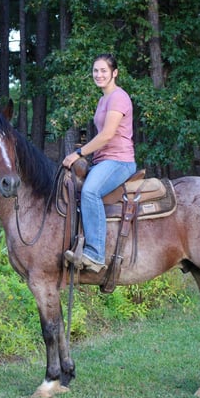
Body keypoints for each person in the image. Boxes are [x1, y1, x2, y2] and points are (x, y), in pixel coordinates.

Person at [62, 53, 136, 273]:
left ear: (115, 73)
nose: (99, 75)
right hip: (103, 160)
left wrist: (78, 153)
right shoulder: (103, 99)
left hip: (119, 160)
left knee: (90, 191)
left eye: (103, 70)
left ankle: (95, 254)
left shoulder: (118, 97)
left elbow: (107, 135)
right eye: (95, 71)